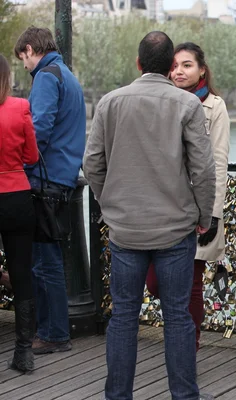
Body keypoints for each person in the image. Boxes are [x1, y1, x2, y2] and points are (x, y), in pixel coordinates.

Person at [83, 31, 216, 400]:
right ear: (170, 65)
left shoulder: (110, 103)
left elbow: (92, 163)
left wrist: (108, 202)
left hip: (125, 230)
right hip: (174, 228)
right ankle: (185, 396)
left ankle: (118, 395)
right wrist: (204, 214)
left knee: (123, 317)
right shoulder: (186, 105)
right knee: (177, 317)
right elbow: (203, 169)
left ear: (139, 64)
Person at [145, 42, 230, 351]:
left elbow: (218, 163)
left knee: (192, 283)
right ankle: (180, 331)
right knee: (155, 282)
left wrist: (213, 214)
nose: (179, 71)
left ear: (201, 70)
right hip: (163, 206)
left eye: (187, 65)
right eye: (175, 65)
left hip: (198, 209)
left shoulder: (214, 106)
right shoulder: (161, 100)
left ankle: (187, 343)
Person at [14, 26, 86, 354]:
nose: (24, 66)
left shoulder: (46, 76)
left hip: (44, 180)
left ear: (30, 49)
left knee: (44, 261)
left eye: (23, 59)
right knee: (48, 259)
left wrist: (20, 165)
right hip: (63, 176)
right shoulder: (66, 73)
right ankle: (51, 329)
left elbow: (37, 130)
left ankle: (55, 333)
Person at [0, 54, 39, 373]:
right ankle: (23, 352)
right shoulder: (19, 108)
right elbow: (31, 155)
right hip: (16, 195)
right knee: (22, 271)